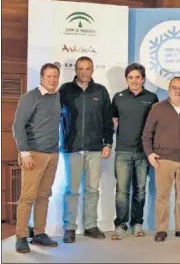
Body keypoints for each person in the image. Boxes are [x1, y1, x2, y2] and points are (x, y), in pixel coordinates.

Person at [142, 77, 180, 242]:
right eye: (174, 87)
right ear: (169, 89)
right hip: (164, 160)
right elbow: (147, 134)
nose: (178, 91)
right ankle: (161, 230)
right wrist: (149, 153)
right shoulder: (157, 108)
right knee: (162, 196)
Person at [59, 56, 114, 243]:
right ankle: (69, 228)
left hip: (95, 148)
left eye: (88, 68)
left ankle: (91, 225)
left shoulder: (100, 91)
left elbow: (107, 119)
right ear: (75, 70)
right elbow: (54, 115)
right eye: (80, 68)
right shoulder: (65, 90)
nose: (84, 72)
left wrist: (108, 143)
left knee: (92, 189)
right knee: (71, 190)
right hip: (72, 147)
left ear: (92, 70)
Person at [12, 63, 62, 253]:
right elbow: (18, 126)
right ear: (42, 77)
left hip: (52, 154)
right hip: (33, 154)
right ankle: (21, 236)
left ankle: (39, 233)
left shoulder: (57, 96)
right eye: (49, 76)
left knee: (44, 196)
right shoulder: (30, 97)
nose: (52, 80)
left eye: (55, 76)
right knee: (27, 197)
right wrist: (24, 153)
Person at [111, 63, 158, 240]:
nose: (134, 81)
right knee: (122, 191)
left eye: (138, 77)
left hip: (143, 153)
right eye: (131, 77)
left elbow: (155, 125)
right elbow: (113, 120)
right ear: (126, 79)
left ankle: (137, 223)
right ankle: (120, 225)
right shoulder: (118, 97)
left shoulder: (152, 98)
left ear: (143, 79)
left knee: (140, 190)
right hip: (122, 151)